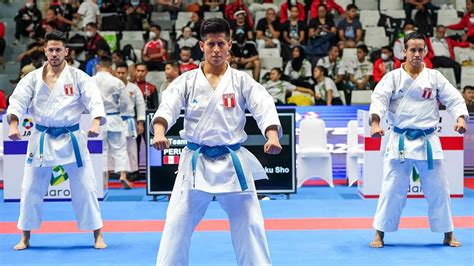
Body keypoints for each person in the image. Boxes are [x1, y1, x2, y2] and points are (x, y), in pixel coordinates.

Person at [151, 18, 282, 265]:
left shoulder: (242, 81)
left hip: (232, 163)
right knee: (176, 225)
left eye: (221, 43)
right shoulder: (187, 81)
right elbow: (167, 107)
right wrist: (159, 131)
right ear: (202, 45)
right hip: (195, 162)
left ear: (229, 45)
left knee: (250, 224)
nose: (216, 49)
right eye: (211, 44)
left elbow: (263, 106)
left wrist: (272, 135)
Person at [6, 31, 107, 250]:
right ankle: (25, 237)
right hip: (42, 138)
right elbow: (18, 101)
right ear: (45, 51)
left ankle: (97, 235)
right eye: (50, 49)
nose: (54, 53)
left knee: (87, 187)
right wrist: (13, 124)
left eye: (58, 49)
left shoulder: (79, 77)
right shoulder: (32, 78)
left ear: (66, 52)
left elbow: (94, 100)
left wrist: (96, 122)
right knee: (30, 187)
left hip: (72, 138)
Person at [369, 32, 469, 248]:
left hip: (428, 140)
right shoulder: (393, 77)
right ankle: (380, 233)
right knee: (391, 188)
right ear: (404, 52)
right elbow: (379, 99)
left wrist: (460, 118)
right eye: (412, 50)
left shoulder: (434, 77)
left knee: (439, 188)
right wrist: (375, 123)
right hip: (400, 140)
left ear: (425, 51)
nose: (416, 54)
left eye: (420, 50)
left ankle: (448, 233)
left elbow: (453, 99)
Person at [91, 56, 132, 189]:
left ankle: (102, 181)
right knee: (119, 149)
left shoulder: (90, 81)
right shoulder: (117, 81)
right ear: (110, 68)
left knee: (100, 150)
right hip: (114, 117)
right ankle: (123, 175)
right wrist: (121, 111)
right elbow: (126, 102)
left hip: (97, 119)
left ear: (98, 66)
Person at [115, 63, 146, 180]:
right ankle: (117, 171)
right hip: (115, 119)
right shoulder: (112, 86)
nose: (121, 75)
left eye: (123, 73)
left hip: (129, 121)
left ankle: (133, 170)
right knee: (116, 147)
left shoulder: (133, 87)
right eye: (118, 73)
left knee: (131, 148)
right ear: (115, 73)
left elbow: (140, 105)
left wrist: (140, 122)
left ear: (127, 73)